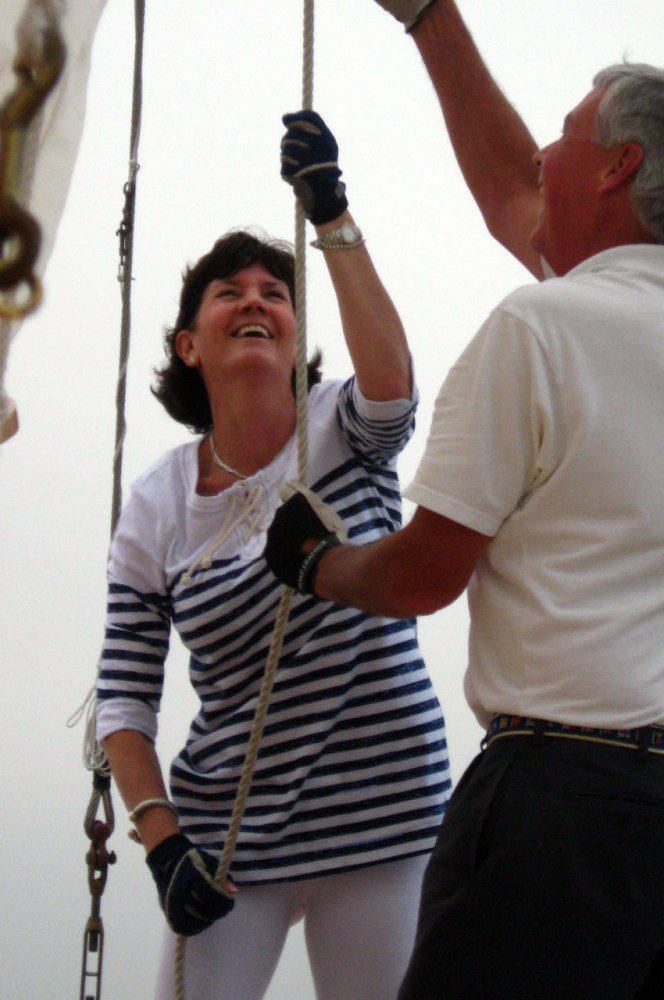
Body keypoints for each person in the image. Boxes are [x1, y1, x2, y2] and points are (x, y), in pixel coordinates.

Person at [264, 36, 664, 1000]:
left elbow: (421, 579)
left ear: (622, 167)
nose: (539, 156)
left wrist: (318, 560)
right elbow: (520, 208)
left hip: (558, 808)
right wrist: (428, 19)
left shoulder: (538, 328)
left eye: (565, 135)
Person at [95, 109, 451, 1000]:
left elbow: (395, 389)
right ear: (189, 344)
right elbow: (125, 698)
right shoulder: (156, 506)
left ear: (294, 337)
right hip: (225, 840)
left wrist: (330, 214)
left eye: (275, 293)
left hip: (382, 812)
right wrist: (161, 839)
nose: (255, 299)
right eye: (229, 292)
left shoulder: (343, 426)